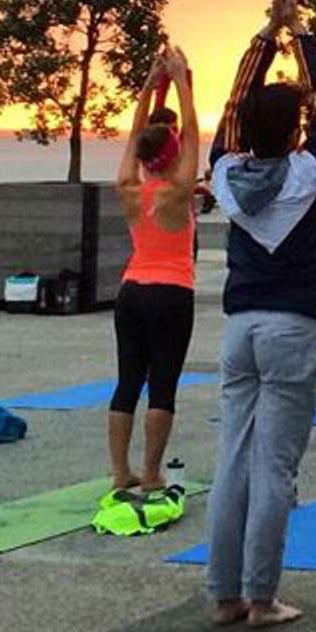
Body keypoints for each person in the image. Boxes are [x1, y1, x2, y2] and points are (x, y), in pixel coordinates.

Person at [204, 0, 316, 629]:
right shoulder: (306, 172)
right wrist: (300, 29)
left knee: (233, 462)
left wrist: (267, 34)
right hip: (291, 330)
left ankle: (224, 595)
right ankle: (262, 597)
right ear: (294, 133)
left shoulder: (226, 173)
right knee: (275, 469)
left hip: (241, 328)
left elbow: (236, 104)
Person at [108, 45, 199, 496]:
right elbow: (194, 133)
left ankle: (119, 471)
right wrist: (180, 81)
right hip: (171, 293)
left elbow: (133, 138)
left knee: (128, 382)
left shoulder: (128, 188)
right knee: (163, 385)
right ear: (174, 153)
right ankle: (150, 473)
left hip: (131, 291)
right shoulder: (178, 191)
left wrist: (147, 87)